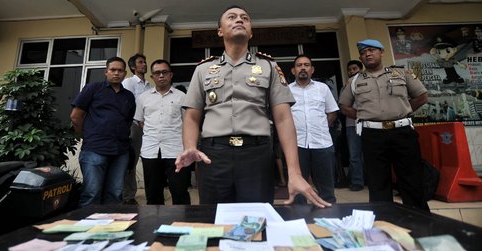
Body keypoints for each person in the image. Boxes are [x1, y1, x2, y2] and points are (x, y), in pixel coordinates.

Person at [174, 5, 330, 207]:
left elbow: (283, 118)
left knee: (256, 221)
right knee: (213, 219)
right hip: (213, 156)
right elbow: (192, 116)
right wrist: (190, 147)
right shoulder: (203, 69)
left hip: (257, 156)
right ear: (220, 30)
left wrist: (295, 172)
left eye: (245, 18)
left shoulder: (269, 66)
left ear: (251, 31)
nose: (239, 20)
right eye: (232, 17)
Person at [339, 39, 429, 211]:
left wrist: (403, 110)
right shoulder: (355, 80)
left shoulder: (401, 73)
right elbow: (344, 106)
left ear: (382, 52)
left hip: (402, 132)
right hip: (373, 136)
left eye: (372, 50)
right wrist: (364, 116)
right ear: (361, 57)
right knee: (378, 182)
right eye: (364, 52)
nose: (368, 54)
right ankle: (384, 220)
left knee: (411, 179)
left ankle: (420, 220)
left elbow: (422, 96)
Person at [70, 56, 136, 207]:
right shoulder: (93, 89)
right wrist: (84, 136)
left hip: (120, 151)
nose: (116, 73)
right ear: (106, 72)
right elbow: (75, 117)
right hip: (94, 149)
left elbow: (128, 121)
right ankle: (86, 229)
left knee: (115, 193)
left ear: (125, 73)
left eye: (120, 70)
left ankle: (108, 228)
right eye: (113, 70)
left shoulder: (129, 97)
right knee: (91, 193)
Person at [135, 59, 191, 205]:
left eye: (164, 72)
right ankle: (154, 225)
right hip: (150, 151)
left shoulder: (182, 97)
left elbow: (187, 123)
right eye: (157, 73)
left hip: (176, 151)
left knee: (180, 193)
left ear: (171, 75)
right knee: (153, 195)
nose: (161, 76)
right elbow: (140, 122)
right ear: (152, 76)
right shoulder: (143, 98)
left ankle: (183, 224)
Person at [289, 55, 338, 204]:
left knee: (327, 189)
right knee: (298, 191)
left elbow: (332, 112)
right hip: (296, 145)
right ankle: (299, 221)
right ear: (293, 70)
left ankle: (328, 220)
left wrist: (321, 128)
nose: (303, 68)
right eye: (299, 65)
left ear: (312, 69)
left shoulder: (322, 88)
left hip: (322, 143)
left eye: (306, 65)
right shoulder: (286, 90)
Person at [121, 53, 151, 205]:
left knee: (137, 160)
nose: (144, 64)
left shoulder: (148, 85)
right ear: (133, 67)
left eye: (145, 62)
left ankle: (129, 195)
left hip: (145, 127)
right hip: (133, 125)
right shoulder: (129, 82)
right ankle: (127, 196)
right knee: (129, 161)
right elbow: (128, 105)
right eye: (140, 62)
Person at [343, 60, 365, 192]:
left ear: (361, 69)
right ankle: (357, 181)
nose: (352, 71)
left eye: (354, 68)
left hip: (369, 123)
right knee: (354, 155)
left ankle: (371, 180)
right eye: (349, 69)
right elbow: (342, 104)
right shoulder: (346, 86)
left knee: (371, 154)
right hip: (352, 124)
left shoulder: (367, 83)